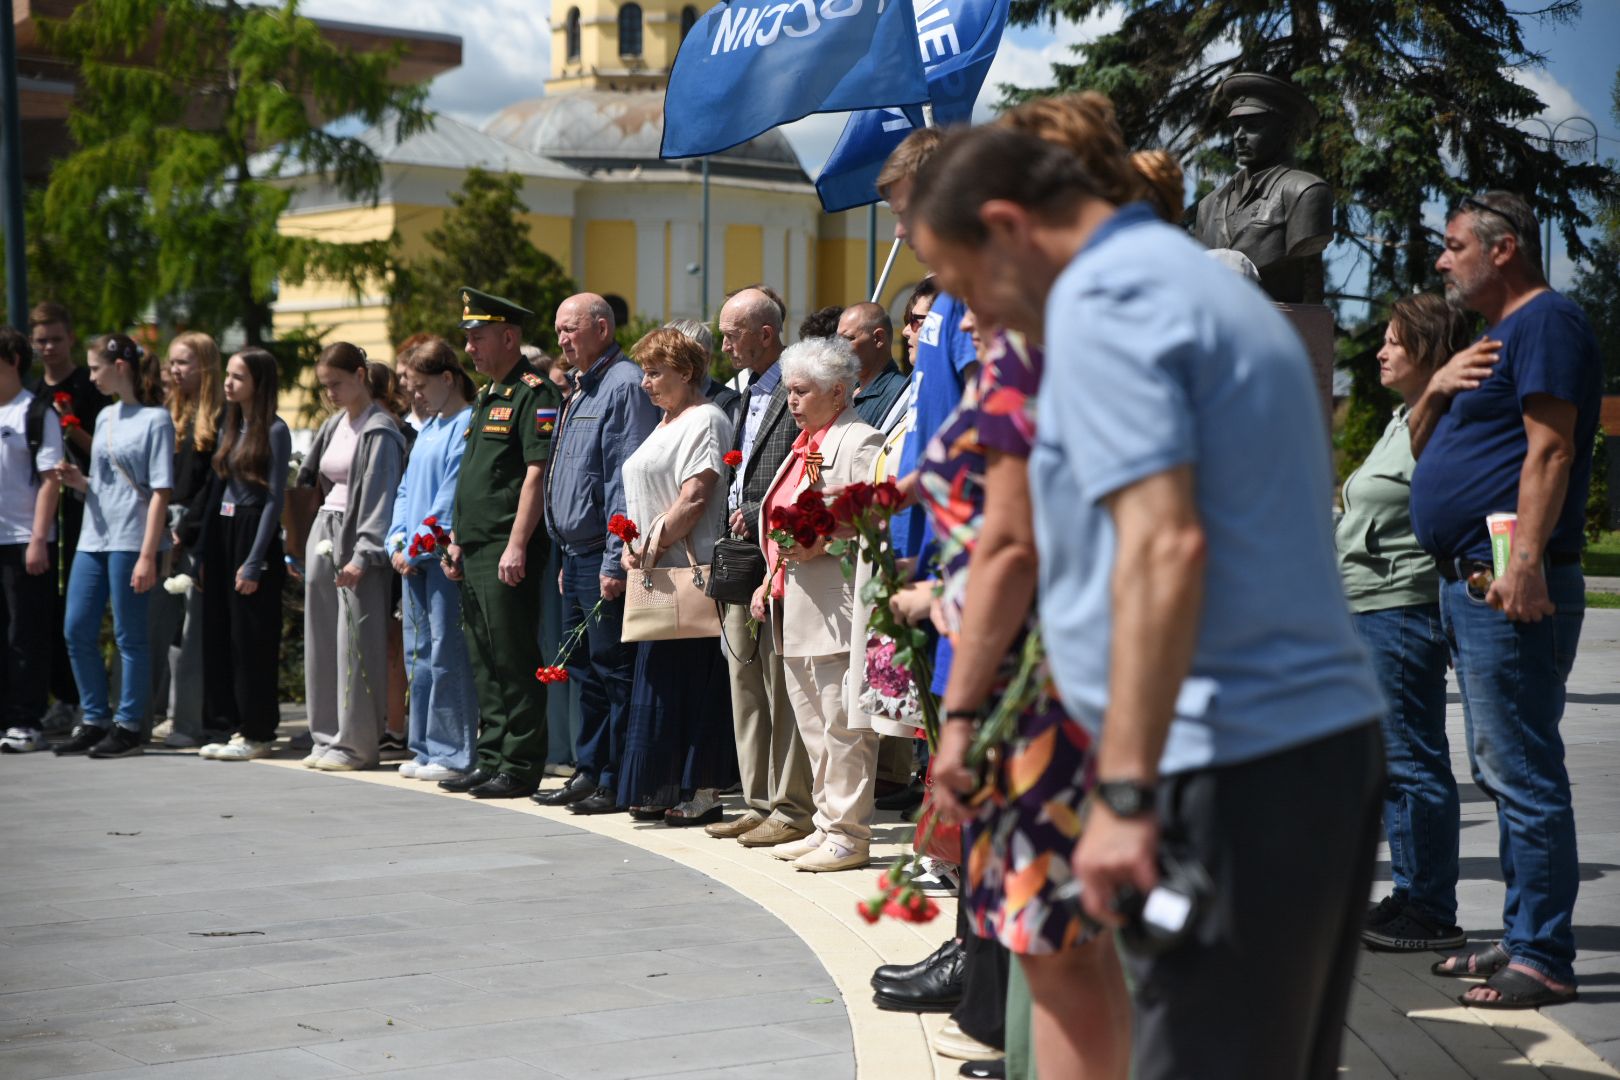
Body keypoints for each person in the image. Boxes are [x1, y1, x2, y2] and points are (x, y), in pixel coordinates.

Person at [909, 117, 1385, 1079]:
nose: (974, 319)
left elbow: (1166, 544)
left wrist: (1122, 792)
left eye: (967, 285)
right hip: (1302, 746)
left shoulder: (1108, 302)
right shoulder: (1195, 283)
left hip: (1228, 758)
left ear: (1007, 224)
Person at [1409, 191, 1602, 1009]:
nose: (1443, 261)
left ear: (1505, 249)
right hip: (1470, 583)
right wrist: (1439, 387)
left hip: (1507, 583)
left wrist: (1522, 564)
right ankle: (1524, 936)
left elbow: (1551, 451)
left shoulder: (1546, 323)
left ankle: (1545, 956)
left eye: (1455, 246)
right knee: (1502, 766)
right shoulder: (1489, 340)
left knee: (1522, 770)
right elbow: (1419, 444)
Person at [1338, 294, 1472, 953]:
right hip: (1372, 607)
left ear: (1427, 351)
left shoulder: (1443, 420)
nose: (1381, 351)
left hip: (1403, 609)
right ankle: (1414, 894)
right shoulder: (1405, 418)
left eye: (1394, 341)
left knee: (1413, 757)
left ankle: (1432, 912)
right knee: (1395, 761)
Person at [749, 337, 884, 871]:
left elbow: (878, 521)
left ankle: (850, 833)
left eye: (801, 392)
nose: (792, 402)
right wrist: (768, 578)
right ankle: (828, 823)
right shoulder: (805, 443)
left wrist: (825, 541)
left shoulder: (859, 440)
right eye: (788, 392)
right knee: (813, 725)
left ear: (837, 391)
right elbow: (781, 524)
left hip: (839, 605)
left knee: (843, 724)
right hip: (797, 602)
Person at [535, 293, 659, 813]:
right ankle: (588, 770)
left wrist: (613, 559)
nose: (562, 339)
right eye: (559, 330)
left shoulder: (623, 384)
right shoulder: (583, 387)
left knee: (612, 670)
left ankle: (613, 777)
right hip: (575, 554)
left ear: (602, 328)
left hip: (601, 556)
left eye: (571, 329)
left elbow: (621, 481)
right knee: (582, 669)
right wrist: (565, 552)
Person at [704, 287, 817, 850]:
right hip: (737, 559)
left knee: (780, 682)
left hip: (778, 558)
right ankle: (757, 800)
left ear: (765, 334)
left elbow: (811, 476)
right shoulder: (738, 394)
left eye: (732, 333)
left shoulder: (799, 390)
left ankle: (792, 806)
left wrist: (755, 513)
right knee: (743, 680)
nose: (724, 344)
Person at [442, 288, 561, 799]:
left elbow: (536, 473)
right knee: (484, 656)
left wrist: (516, 545)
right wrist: (454, 538)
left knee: (512, 656)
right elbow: (475, 475)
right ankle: (490, 756)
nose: (469, 347)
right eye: (467, 338)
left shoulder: (533, 393)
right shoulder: (489, 395)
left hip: (505, 547)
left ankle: (520, 763)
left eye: (479, 337)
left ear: (509, 337)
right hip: (475, 545)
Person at [617, 328, 738, 823]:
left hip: (690, 573)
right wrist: (633, 547)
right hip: (655, 570)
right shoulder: (664, 421)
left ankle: (703, 790)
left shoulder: (705, 419)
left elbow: (694, 498)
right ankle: (664, 785)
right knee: (663, 683)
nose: (645, 383)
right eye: (644, 371)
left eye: (654, 372)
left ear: (686, 372)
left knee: (692, 684)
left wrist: (649, 544)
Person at [51, 334, 174, 760]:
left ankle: (127, 726)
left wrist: (146, 554)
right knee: (76, 627)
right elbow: (104, 483)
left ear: (120, 367)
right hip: (94, 536)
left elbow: (160, 491)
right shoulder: (103, 417)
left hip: (130, 539)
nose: (91, 376)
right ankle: (95, 718)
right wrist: (78, 483)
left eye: (96, 368)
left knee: (130, 636)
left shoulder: (157, 420)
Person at [295, 343, 407, 771]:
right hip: (324, 529)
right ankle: (325, 736)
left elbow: (380, 497)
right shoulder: (334, 424)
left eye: (337, 384)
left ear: (361, 375)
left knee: (355, 644)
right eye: (325, 387)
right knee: (323, 639)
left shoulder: (381, 429)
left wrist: (364, 553)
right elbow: (314, 478)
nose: (331, 394)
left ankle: (356, 743)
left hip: (358, 538)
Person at [390, 337, 479, 783]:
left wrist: (418, 545)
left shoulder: (466, 424)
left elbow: (450, 497)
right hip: (415, 559)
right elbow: (406, 491)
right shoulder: (429, 428)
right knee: (418, 655)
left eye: (422, 385)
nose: (415, 395)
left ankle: (454, 750)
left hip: (440, 559)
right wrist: (396, 539)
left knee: (446, 652)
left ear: (448, 378)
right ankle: (425, 746)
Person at [195, 348, 290, 760]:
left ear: (259, 383)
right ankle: (233, 723)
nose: (228, 383)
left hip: (255, 529)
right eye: (228, 375)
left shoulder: (274, 429)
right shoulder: (231, 424)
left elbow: (274, 499)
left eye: (237, 377)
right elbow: (219, 488)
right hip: (224, 526)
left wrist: (254, 559)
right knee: (224, 632)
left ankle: (259, 729)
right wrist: (203, 550)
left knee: (253, 636)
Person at [29, 303, 110, 731]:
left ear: (71, 339)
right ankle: (63, 695)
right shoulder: (30, 394)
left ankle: (86, 700)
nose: (49, 348)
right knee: (47, 607)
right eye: (41, 340)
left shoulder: (91, 385)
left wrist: (69, 426)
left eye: (56, 339)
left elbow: (106, 447)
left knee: (78, 609)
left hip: (85, 506)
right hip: (41, 510)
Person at [150, 331, 225, 749]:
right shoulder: (169, 413)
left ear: (205, 365)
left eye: (183, 362)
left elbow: (213, 485)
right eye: (172, 362)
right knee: (162, 626)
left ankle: (189, 720)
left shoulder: (219, 418)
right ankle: (163, 710)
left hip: (197, 531)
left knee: (192, 632)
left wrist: (187, 530)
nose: (175, 370)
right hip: (166, 525)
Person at [0, 327, 63, 754]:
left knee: (25, 632)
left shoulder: (36, 412)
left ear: (13, 361)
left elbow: (49, 481)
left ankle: (27, 720)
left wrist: (38, 538)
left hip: (25, 539)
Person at [838, 303, 910, 436]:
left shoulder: (901, 396)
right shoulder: (845, 390)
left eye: (847, 339)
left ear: (878, 338)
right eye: (838, 339)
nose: (839, 348)